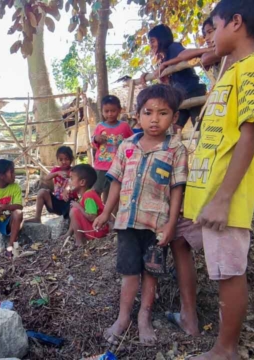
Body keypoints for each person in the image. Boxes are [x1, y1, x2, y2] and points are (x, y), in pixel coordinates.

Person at [180, 1, 254, 358]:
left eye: (217, 26)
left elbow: (250, 134)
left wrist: (224, 198)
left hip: (227, 198)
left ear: (236, 22)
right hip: (209, 195)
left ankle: (226, 350)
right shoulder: (237, 70)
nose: (211, 37)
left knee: (229, 274)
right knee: (208, 259)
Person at [94, 84, 188, 345]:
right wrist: (106, 212)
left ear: (174, 117)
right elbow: (115, 181)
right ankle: (124, 317)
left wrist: (171, 223)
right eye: (148, 113)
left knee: (151, 272)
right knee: (129, 272)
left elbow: (177, 188)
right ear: (138, 115)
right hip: (126, 222)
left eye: (163, 113)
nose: (154, 119)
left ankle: (143, 317)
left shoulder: (175, 150)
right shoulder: (126, 146)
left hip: (156, 224)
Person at [146, 24, 208, 131]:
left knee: (199, 127)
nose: (151, 45)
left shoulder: (173, 47)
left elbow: (184, 54)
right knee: (175, 129)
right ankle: (176, 148)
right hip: (180, 97)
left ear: (161, 39)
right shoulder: (163, 58)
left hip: (192, 92)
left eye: (152, 41)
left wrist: (166, 65)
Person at [156, 18, 227, 89]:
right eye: (205, 35)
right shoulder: (163, 58)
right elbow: (182, 56)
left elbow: (203, 58)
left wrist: (207, 51)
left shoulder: (173, 47)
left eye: (210, 32)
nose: (206, 38)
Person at [92, 95, 134, 203]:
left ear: (119, 110)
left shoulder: (124, 126)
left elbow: (132, 142)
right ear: (102, 111)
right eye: (106, 111)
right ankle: (94, 213)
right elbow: (94, 142)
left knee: (113, 193)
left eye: (113, 111)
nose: (110, 114)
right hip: (101, 165)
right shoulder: (100, 126)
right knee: (96, 190)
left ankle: (111, 217)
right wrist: (96, 138)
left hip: (118, 166)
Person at [26, 146, 77, 223]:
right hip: (55, 202)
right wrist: (57, 173)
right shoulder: (56, 170)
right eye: (61, 159)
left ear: (71, 159)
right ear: (57, 160)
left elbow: (74, 183)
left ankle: (70, 221)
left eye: (66, 159)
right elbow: (47, 178)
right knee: (42, 192)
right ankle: (37, 218)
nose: (63, 162)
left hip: (69, 202)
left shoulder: (74, 170)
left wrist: (67, 189)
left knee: (75, 205)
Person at [63, 164, 108, 247]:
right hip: (94, 230)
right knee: (74, 209)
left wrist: (79, 207)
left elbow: (92, 217)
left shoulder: (89, 195)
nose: (69, 182)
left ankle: (79, 242)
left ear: (82, 182)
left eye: (71, 179)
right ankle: (70, 234)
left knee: (74, 210)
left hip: (97, 231)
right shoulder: (85, 195)